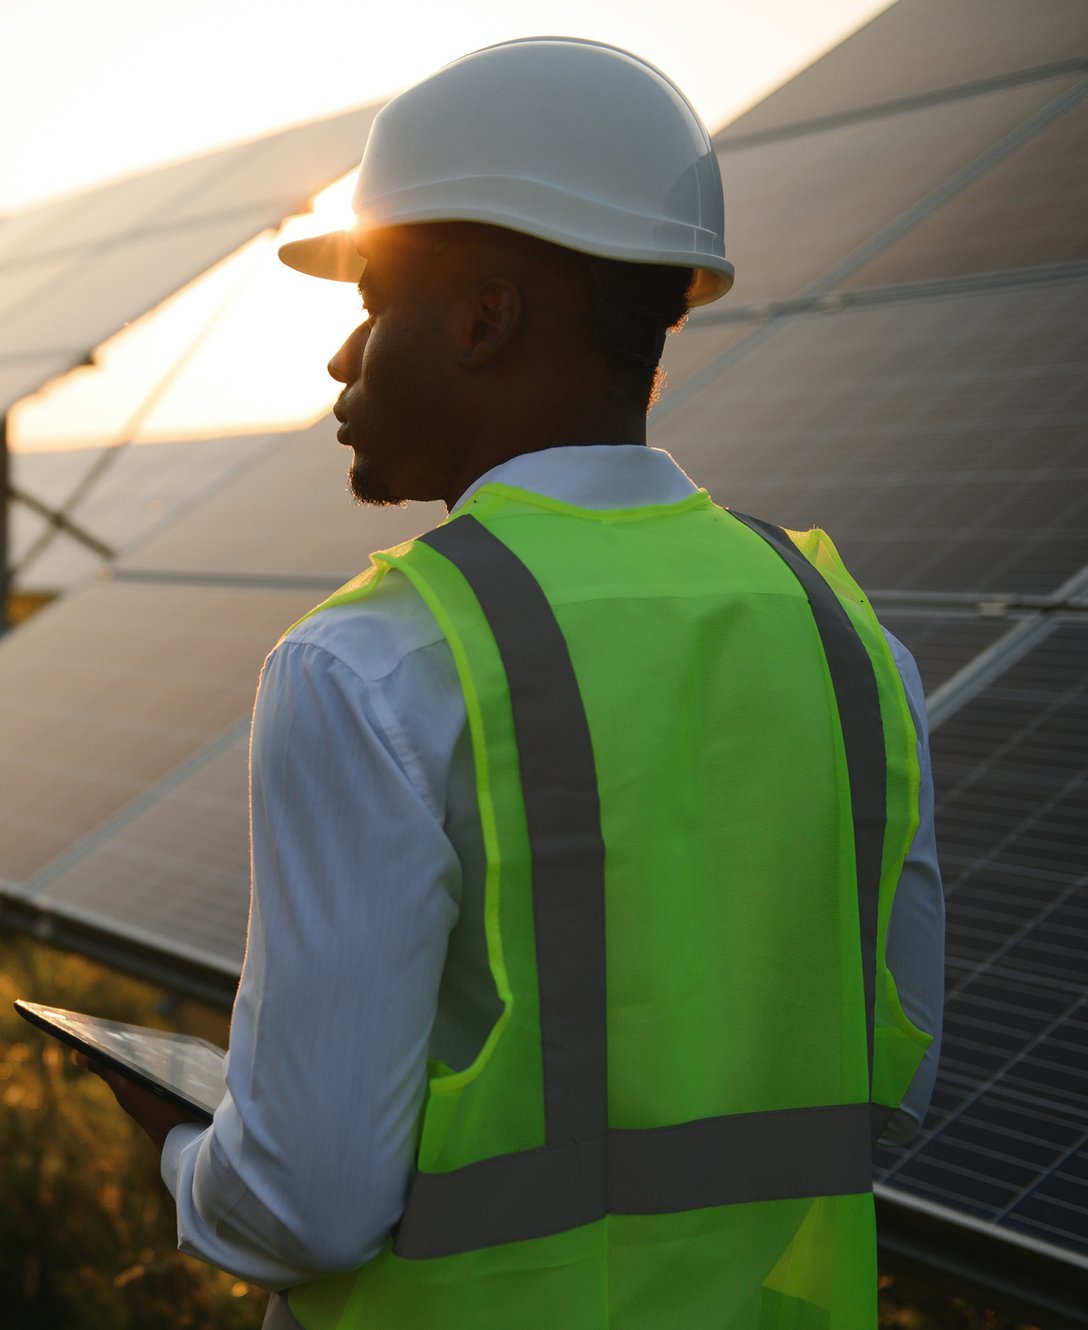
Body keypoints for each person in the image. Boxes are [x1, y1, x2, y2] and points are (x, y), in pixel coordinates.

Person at [79, 37, 944, 1329]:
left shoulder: (369, 666)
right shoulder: (851, 642)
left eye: (373, 301)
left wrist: (187, 1147)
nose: (341, 358)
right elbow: (886, 1090)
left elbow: (306, 1203)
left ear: (486, 316)